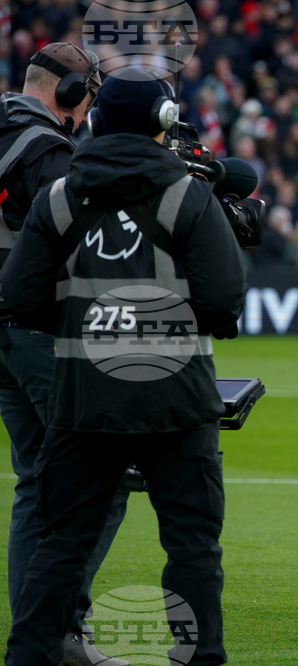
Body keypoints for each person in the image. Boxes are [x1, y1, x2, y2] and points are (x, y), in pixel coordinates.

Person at [1, 67, 247, 666]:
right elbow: (223, 301)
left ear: (99, 117)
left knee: (59, 548)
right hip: (177, 400)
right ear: (165, 123)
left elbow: (20, 295)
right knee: (191, 549)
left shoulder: (60, 195)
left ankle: (28, 657)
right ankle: (198, 659)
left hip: (83, 400)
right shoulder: (189, 194)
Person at [0, 43, 130, 666]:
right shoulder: (46, 148)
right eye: (89, 98)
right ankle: (55, 633)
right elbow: (85, 236)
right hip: (40, 330)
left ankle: (40, 638)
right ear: (73, 92)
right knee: (100, 478)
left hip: (5, 334)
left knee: (37, 481)